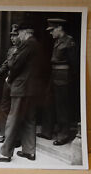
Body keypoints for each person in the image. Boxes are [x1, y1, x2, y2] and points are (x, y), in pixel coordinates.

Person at [0, 23, 45, 162]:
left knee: (12, 120)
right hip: (32, 89)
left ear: (25, 32)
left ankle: (5, 153)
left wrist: (10, 78)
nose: (17, 36)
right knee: (29, 120)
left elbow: (14, 65)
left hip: (21, 88)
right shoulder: (37, 45)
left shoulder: (26, 44)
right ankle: (29, 151)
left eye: (18, 33)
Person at [45, 18, 77, 146]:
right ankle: (47, 132)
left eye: (52, 30)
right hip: (54, 75)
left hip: (63, 77)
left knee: (62, 107)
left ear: (59, 28)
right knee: (49, 102)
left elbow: (74, 63)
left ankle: (64, 135)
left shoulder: (69, 41)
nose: (50, 33)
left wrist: (70, 80)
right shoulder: (58, 40)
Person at [0, 24, 21, 144]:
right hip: (8, 82)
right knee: (4, 108)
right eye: (11, 36)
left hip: (18, 82)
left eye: (15, 35)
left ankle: (16, 138)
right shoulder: (11, 49)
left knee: (16, 110)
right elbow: (6, 63)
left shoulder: (24, 49)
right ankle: (4, 134)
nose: (12, 38)